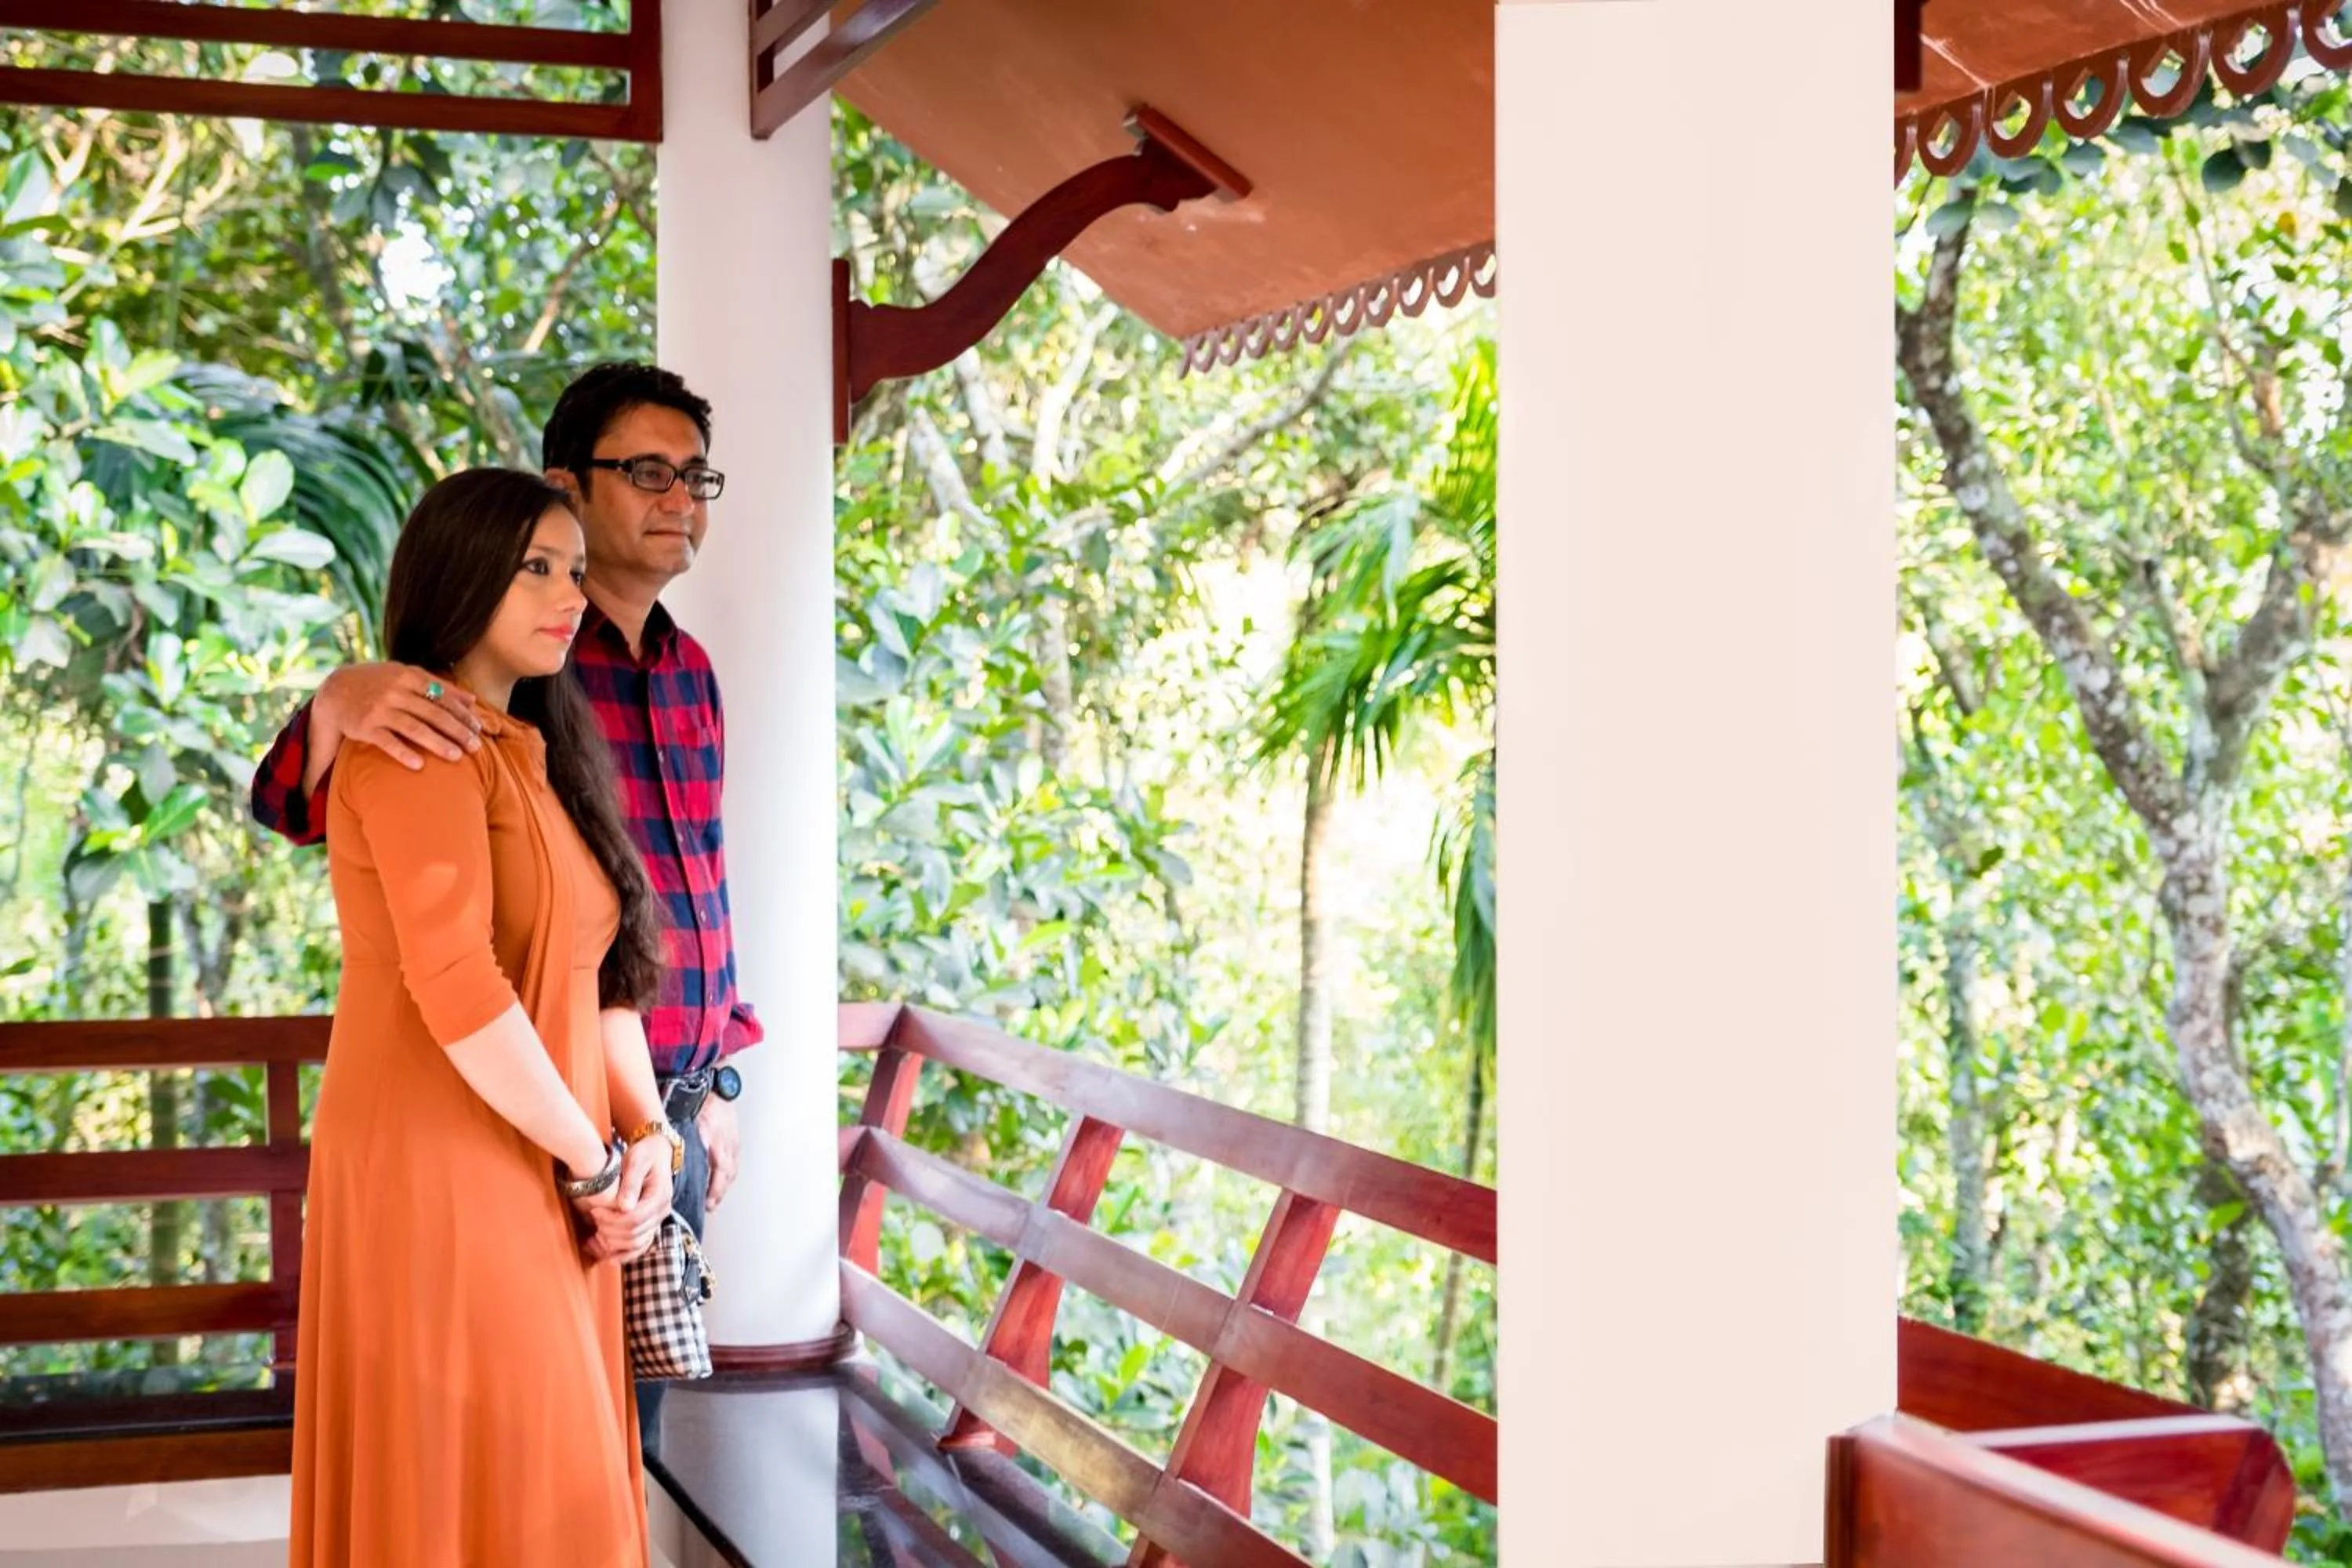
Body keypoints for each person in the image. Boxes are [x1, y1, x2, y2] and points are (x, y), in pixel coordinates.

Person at [251, 363, 759, 1451]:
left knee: (633, 1443)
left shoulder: (689, 673)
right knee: (549, 1434)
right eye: (650, 472)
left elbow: (690, 889)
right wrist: (341, 699)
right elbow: (314, 814)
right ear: (567, 485)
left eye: (697, 477)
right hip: (535, 1110)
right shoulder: (495, 690)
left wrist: (717, 1082)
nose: (681, 500)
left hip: (658, 1114)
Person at [289, 468, 672, 1566]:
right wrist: (597, 1163)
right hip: (445, 1169)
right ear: (461, 579)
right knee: (508, 1493)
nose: (568, 595)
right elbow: (459, 989)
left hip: (548, 1163)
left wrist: (646, 1141)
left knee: (553, 1493)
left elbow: (601, 977)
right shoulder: (415, 741)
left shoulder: (536, 755)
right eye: (535, 569)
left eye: (574, 571)